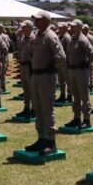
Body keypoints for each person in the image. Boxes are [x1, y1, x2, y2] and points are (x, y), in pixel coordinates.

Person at [23, 10, 65, 156]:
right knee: (38, 108)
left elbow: (60, 56)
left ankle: (50, 141)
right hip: (36, 75)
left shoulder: (50, 36)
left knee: (47, 109)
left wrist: (50, 67)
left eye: (39, 20)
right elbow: (30, 53)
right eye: (35, 19)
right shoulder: (36, 36)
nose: (36, 22)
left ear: (47, 21)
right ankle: (41, 138)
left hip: (46, 76)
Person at [65, 19, 93, 129]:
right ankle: (76, 117)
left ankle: (86, 119)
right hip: (72, 70)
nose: (72, 28)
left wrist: (86, 63)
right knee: (75, 95)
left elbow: (92, 54)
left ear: (79, 27)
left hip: (81, 71)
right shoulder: (72, 39)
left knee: (84, 95)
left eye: (74, 26)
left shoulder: (83, 40)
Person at [15, 20, 35, 120]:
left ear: (30, 27)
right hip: (23, 66)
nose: (22, 28)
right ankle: (26, 108)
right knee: (25, 89)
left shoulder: (33, 38)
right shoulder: (23, 38)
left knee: (32, 89)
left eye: (24, 27)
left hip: (30, 66)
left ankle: (34, 109)